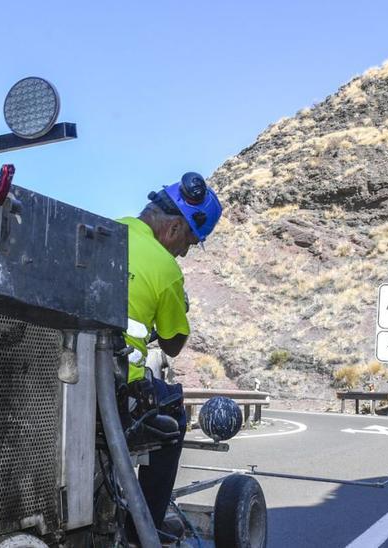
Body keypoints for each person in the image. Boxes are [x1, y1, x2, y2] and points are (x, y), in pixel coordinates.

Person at [119, 171, 223, 543]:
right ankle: (144, 526)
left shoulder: (105, 229)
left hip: (56, 372)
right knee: (173, 414)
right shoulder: (166, 270)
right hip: (117, 390)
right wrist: (182, 304)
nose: (184, 252)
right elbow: (173, 344)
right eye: (190, 243)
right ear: (176, 227)